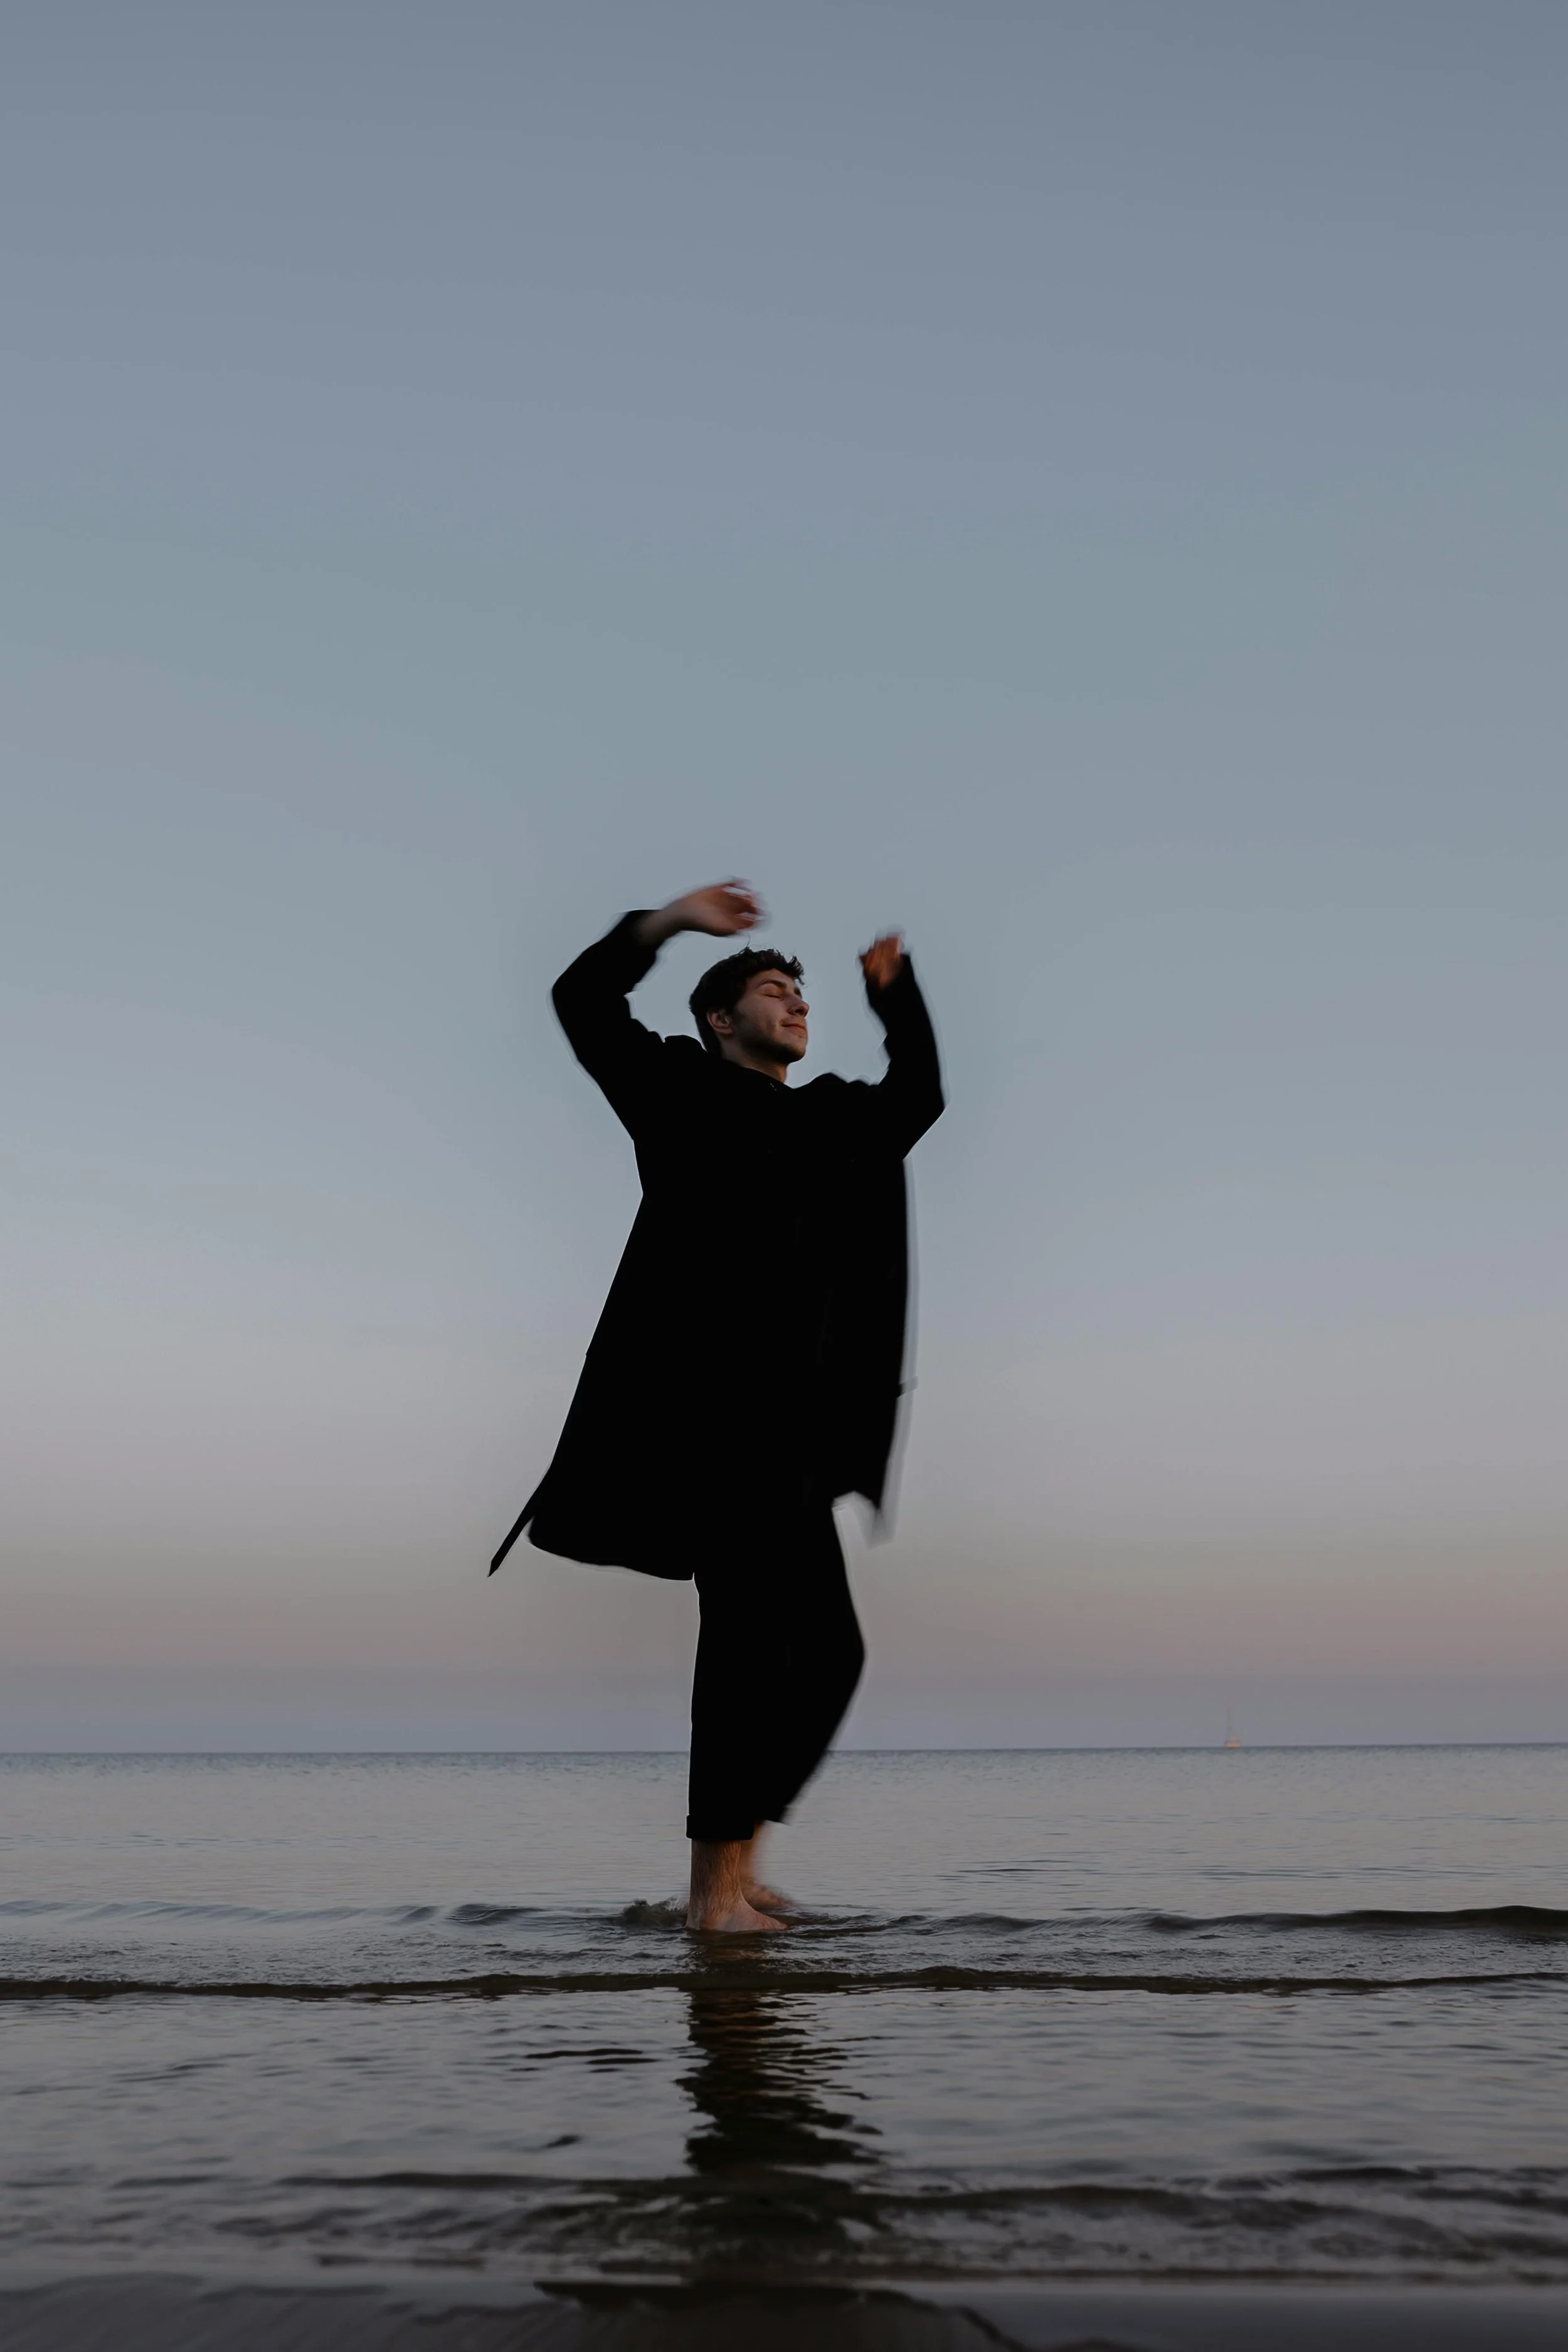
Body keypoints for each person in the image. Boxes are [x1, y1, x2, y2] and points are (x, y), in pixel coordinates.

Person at [492, 881, 943, 1931]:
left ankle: (736, 1867)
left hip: (798, 1433)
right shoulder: (675, 1094)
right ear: (718, 1017)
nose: (795, 1005)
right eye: (775, 990)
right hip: (706, 1422)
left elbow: (917, 1095)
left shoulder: (832, 1121)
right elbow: (580, 1000)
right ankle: (712, 1898)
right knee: (745, 1644)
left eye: (801, 994)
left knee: (829, 1654)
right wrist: (666, 925)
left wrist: (897, 995)